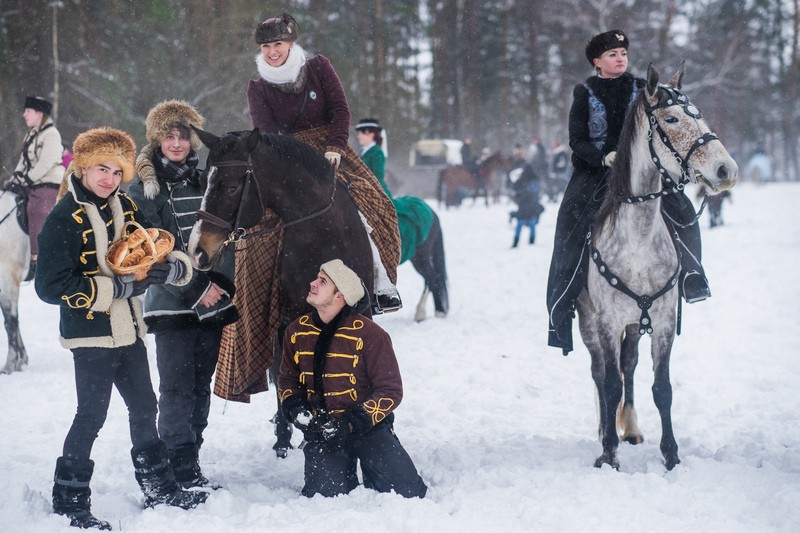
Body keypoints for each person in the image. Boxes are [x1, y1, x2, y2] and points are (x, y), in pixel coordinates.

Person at [213, 12, 402, 402]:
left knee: (375, 205)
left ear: (291, 44)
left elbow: (340, 110)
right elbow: (265, 132)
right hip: (285, 161)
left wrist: (334, 145)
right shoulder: (257, 86)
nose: (273, 51)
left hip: (332, 153)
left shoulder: (318, 68)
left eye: (278, 44)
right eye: (266, 47)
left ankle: (381, 283)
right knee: (256, 234)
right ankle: (257, 307)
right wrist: (291, 163)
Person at [35, 127, 207, 530]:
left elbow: (157, 241)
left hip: (129, 330)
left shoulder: (125, 206)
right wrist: (116, 287)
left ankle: (159, 488)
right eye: (100, 169)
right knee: (91, 415)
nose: (108, 179)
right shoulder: (64, 216)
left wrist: (170, 267)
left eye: (116, 171)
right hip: (91, 333)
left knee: (146, 408)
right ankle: (70, 500)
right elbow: (48, 285)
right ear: (82, 166)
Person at [546, 29, 710, 355]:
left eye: (622, 53)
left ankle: (693, 274)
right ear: (597, 61)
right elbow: (576, 139)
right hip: (596, 174)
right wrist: (602, 155)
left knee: (682, 210)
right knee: (570, 221)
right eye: (612, 54)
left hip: (643, 173)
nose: (620, 58)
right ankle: (562, 301)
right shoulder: (585, 92)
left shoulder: (642, 89)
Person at [129, 100, 239, 489]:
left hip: (213, 302)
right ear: (157, 139)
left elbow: (222, 237)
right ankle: (178, 465)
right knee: (175, 387)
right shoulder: (144, 187)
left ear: (194, 139)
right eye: (169, 136)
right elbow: (153, 248)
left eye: (183, 135)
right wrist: (197, 289)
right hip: (171, 303)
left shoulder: (207, 180)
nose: (176, 143)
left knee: (198, 385)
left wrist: (221, 288)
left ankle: (191, 458)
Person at [278, 259, 427, 498]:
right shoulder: (296, 331)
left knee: (408, 493)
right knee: (324, 497)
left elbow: (390, 391)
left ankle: (375, 465)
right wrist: (298, 412)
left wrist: (352, 421)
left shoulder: (371, 334)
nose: (312, 283)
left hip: (367, 427)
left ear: (340, 296)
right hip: (321, 431)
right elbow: (287, 380)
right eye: (317, 278)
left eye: (322, 281)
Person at [355, 118, 434, 265]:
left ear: (371, 134)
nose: (358, 136)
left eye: (361, 133)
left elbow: (376, 176)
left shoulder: (376, 152)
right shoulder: (363, 152)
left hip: (376, 191)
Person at [9, 96, 65, 281]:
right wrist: (14, 179)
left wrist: (27, 178)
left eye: (28, 111)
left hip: (48, 183)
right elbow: (23, 161)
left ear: (39, 113)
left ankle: (36, 260)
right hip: (31, 182)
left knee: (36, 210)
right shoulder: (31, 134)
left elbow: (46, 163)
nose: (24, 115)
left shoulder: (52, 134)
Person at [509, 163, 543, 247]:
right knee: (531, 222)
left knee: (520, 223)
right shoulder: (535, 179)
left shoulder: (522, 179)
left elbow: (515, 188)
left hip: (523, 205)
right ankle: (532, 240)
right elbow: (536, 192)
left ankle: (516, 242)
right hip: (532, 205)